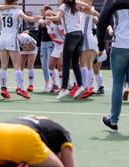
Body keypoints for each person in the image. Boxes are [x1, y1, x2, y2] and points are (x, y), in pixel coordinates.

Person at [45, 0, 93, 100]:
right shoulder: (76, 3)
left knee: (66, 63)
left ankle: (64, 89)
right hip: (80, 34)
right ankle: (80, 86)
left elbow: (57, 18)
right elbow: (88, 6)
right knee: (75, 63)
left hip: (71, 35)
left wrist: (47, 18)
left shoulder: (63, 6)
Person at [97, 0, 129, 131]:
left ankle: (113, 120)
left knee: (117, 83)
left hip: (120, 45)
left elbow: (102, 22)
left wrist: (100, 45)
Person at [37, 5, 54, 92]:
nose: (41, 12)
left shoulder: (52, 19)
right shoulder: (41, 21)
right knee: (43, 66)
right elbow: (39, 33)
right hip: (42, 44)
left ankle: (53, 83)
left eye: (42, 10)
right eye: (41, 11)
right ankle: (47, 83)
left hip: (50, 43)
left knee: (49, 64)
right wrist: (38, 45)